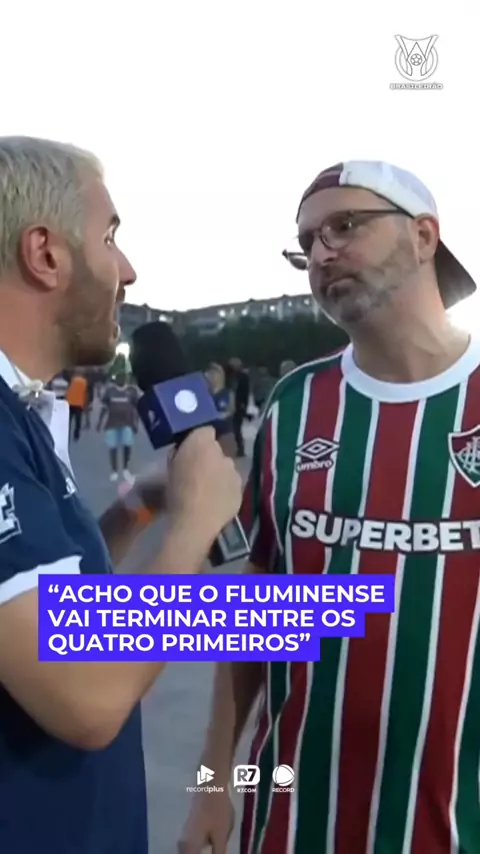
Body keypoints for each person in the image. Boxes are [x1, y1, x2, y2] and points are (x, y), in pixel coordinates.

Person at [179, 160, 480, 854]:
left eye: (344, 226)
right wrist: (210, 783)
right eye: (306, 243)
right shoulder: (294, 406)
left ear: (424, 237)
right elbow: (255, 613)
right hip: (292, 819)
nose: (320, 254)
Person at [0, 136, 242, 854]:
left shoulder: (24, 414)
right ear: (45, 254)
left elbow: (51, 606)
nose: (128, 270)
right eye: (109, 237)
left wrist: (138, 509)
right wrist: (192, 528)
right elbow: (88, 697)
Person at [97, 368, 139, 483]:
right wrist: (99, 423)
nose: (121, 379)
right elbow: (104, 408)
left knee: (127, 446)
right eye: (118, 377)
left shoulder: (132, 391)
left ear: (126, 379)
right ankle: (114, 470)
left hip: (127, 424)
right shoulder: (110, 391)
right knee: (113, 447)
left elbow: (136, 409)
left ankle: (125, 469)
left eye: (123, 377)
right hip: (112, 424)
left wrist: (136, 423)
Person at [205, 362, 236, 457]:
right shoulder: (205, 394)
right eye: (210, 373)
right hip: (209, 435)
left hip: (225, 434)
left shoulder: (228, 393)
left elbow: (231, 410)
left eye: (214, 373)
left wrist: (219, 415)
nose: (212, 376)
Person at [227, 357, 250, 458]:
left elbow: (245, 392)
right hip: (232, 404)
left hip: (239, 404)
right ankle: (235, 447)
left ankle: (240, 448)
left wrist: (244, 404)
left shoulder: (243, 377)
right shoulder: (230, 376)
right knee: (233, 428)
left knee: (236, 427)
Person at [66, 368, 88, 440]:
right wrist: (85, 403)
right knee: (78, 421)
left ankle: (67, 434)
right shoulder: (84, 382)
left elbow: (68, 390)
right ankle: (76, 434)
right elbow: (85, 393)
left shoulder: (72, 380)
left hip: (70, 402)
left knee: (69, 420)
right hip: (79, 403)